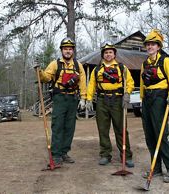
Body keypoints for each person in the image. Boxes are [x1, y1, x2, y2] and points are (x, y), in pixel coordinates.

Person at [37, 37, 87, 166]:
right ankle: (56, 155)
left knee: (69, 127)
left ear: (73, 51)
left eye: (70, 49)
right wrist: (40, 72)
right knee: (58, 126)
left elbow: (82, 82)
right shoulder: (55, 64)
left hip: (73, 99)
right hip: (59, 98)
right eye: (65, 49)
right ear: (61, 50)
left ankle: (65, 152)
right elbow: (46, 77)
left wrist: (83, 98)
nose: (68, 51)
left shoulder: (78, 65)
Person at [86, 41, 135, 168]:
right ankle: (105, 155)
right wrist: (88, 99)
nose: (108, 54)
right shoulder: (97, 69)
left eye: (110, 52)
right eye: (106, 52)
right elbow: (91, 85)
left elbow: (130, 82)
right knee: (103, 129)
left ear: (114, 54)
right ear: (103, 54)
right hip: (102, 100)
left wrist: (127, 94)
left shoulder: (121, 68)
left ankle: (126, 155)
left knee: (121, 129)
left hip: (118, 100)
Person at [140, 29, 169, 183]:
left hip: (160, 98)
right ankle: (155, 168)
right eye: (148, 44)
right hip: (147, 100)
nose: (149, 47)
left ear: (158, 46)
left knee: (161, 134)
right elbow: (142, 84)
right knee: (149, 135)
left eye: (152, 44)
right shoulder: (145, 64)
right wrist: (142, 100)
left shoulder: (165, 61)